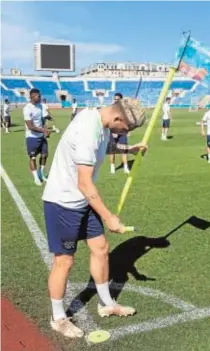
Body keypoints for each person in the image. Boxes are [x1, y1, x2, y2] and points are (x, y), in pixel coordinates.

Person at [42, 97, 147, 338]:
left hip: (82, 200)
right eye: (127, 129)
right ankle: (58, 317)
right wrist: (109, 217)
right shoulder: (88, 130)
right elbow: (84, 182)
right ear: (118, 118)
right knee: (64, 261)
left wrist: (128, 149)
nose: (125, 133)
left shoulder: (99, 121)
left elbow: (106, 146)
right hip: (64, 202)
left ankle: (106, 303)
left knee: (100, 247)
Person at [23, 89, 50, 186]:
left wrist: (46, 129)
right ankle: (36, 178)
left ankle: (41, 173)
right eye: (38, 96)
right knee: (33, 157)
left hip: (41, 136)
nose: (40, 98)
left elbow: (42, 120)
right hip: (31, 137)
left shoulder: (40, 106)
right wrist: (43, 131)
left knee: (44, 155)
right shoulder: (27, 108)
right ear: (32, 96)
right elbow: (30, 126)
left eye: (40, 96)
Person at [108, 93, 130, 174]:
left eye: (117, 99)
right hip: (113, 132)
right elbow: (109, 121)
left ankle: (125, 167)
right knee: (112, 151)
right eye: (115, 99)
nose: (116, 100)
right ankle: (112, 167)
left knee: (123, 150)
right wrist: (113, 131)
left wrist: (128, 130)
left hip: (122, 132)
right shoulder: (111, 108)